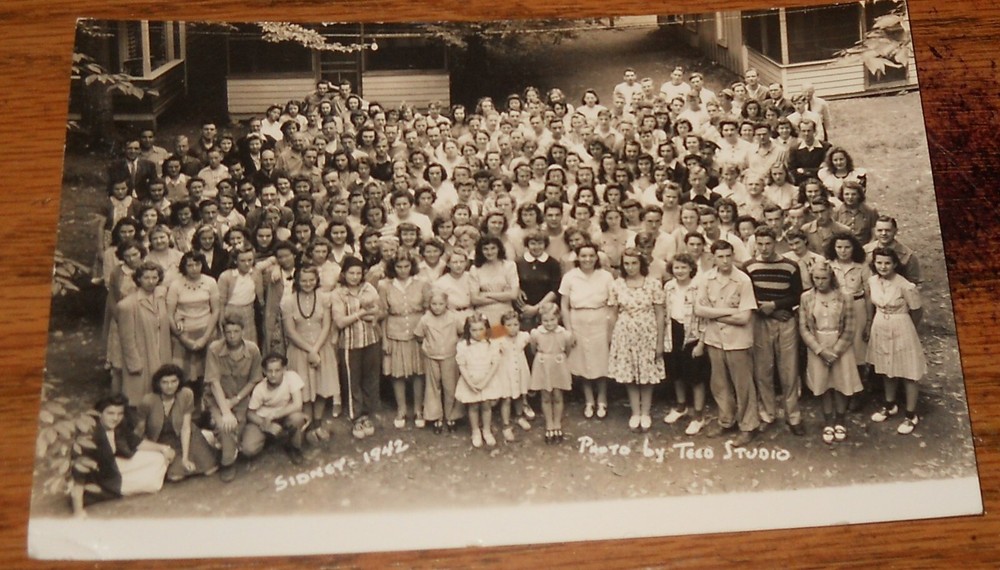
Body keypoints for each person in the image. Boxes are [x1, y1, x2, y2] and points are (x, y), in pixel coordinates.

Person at [694, 240, 760, 447]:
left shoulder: (743, 280)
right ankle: (726, 420)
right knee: (719, 383)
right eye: (720, 256)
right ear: (713, 257)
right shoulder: (706, 279)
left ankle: (748, 426)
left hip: (738, 340)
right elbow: (699, 310)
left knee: (743, 385)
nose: (725, 260)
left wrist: (715, 315)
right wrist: (731, 311)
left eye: (728, 256)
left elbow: (744, 318)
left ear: (733, 255)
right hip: (715, 339)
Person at [744, 226, 805, 434]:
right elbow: (748, 296)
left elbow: (797, 295)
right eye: (760, 244)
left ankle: (793, 416)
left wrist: (777, 307)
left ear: (775, 242)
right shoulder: (749, 266)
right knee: (763, 370)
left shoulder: (790, 266)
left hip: (786, 321)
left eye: (768, 243)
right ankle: (767, 414)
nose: (764, 248)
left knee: (789, 370)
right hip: (761, 321)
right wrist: (769, 311)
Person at [71, 394, 170, 518]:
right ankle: (127, 486)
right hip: (101, 480)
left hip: (113, 465)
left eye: (120, 413)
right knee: (152, 484)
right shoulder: (89, 435)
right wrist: (78, 511)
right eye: (110, 413)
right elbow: (79, 472)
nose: (115, 418)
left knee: (158, 458)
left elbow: (135, 441)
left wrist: (163, 448)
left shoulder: (118, 425)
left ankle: (134, 480)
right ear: (99, 414)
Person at [798, 262, 862, 444]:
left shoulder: (845, 297)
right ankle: (828, 421)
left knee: (841, 383)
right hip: (818, 345)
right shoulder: (806, 297)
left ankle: (840, 419)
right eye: (816, 278)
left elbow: (850, 327)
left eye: (824, 278)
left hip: (840, 345)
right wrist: (820, 350)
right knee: (823, 384)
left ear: (831, 277)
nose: (820, 282)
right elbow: (804, 328)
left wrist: (836, 351)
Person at [867, 247, 927, 434]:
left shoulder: (905, 285)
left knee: (908, 371)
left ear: (894, 264)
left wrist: (908, 329)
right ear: (874, 263)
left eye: (887, 263)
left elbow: (917, 310)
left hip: (902, 326)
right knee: (887, 368)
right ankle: (890, 405)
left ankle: (911, 415)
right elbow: (872, 304)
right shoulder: (872, 281)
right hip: (880, 326)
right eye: (879, 263)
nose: (883, 267)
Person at [607, 248, 665, 432]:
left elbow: (660, 314)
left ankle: (646, 412)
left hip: (647, 333)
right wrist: (611, 339)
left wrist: (660, 342)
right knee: (629, 374)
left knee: (647, 374)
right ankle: (635, 412)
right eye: (627, 264)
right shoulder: (617, 285)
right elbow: (613, 314)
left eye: (634, 263)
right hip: (625, 334)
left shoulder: (653, 284)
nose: (630, 267)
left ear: (641, 264)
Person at [281, 265, 339, 441]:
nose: (308, 283)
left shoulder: (324, 298)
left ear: (317, 280)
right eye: (304, 280)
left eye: (311, 280)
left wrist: (316, 349)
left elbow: (327, 325)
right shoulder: (288, 301)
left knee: (322, 387)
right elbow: (290, 332)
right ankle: (307, 425)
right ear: (297, 280)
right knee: (304, 389)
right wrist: (309, 350)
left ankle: (318, 423)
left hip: (322, 348)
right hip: (299, 350)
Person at [331, 256, 385, 440]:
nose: (354, 277)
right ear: (343, 274)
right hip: (349, 343)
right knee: (351, 379)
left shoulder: (368, 288)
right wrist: (362, 312)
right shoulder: (338, 294)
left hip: (371, 339)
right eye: (351, 273)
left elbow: (377, 312)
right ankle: (356, 416)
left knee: (370, 377)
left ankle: (367, 415)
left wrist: (367, 314)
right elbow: (339, 322)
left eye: (358, 273)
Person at [136, 364, 219, 482]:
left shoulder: (186, 394)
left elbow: (186, 428)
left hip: (188, 436)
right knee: (175, 476)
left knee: (210, 469)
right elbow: (140, 431)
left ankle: (206, 445)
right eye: (165, 382)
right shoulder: (148, 401)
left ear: (179, 381)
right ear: (158, 383)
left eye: (174, 381)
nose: (170, 386)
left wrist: (185, 458)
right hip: (164, 440)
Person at [559, 243, 614, 420]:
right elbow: (564, 305)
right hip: (578, 320)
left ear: (597, 257)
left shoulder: (606, 276)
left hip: (600, 319)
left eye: (591, 256)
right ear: (577, 257)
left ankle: (603, 399)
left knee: (601, 361)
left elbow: (613, 304)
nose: (587, 259)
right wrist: (569, 330)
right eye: (583, 256)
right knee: (583, 361)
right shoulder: (570, 277)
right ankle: (589, 400)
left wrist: (610, 329)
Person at [378, 250, 431, 429]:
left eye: (406, 266)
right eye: (399, 267)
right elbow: (383, 314)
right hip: (395, 332)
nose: (403, 270)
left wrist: (426, 334)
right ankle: (402, 409)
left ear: (412, 266)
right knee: (397, 373)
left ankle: (418, 409)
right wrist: (384, 339)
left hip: (417, 332)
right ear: (393, 267)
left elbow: (427, 311)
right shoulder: (385, 285)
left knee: (418, 372)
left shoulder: (422, 283)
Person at [117, 261, 172, 406]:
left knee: (161, 393)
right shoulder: (127, 305)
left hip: (161, 352)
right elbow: (126, 339)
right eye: (146, 278)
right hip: (142, 355)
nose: (151, 281)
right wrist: (134, 364)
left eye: (154, 277)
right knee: (140, 397)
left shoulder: (161, 297)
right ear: (138, 279)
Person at [166, 251, 220, 386]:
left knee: (208, 372)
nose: (194, 268)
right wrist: (183, 338)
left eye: (197, 264)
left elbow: (216, 310)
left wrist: (205, 338)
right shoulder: (176, 284)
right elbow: (169, 314)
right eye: (190, 265)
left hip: (206, 330)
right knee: (184, 375)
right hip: (183, 333)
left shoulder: (211, 282)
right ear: (184, 267)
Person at [414, 291, 465, 433]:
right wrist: (428, 346)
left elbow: (462, 332)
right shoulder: (425, 319)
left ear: (446, 304)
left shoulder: (453, 318)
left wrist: (455, 344)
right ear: (429, 305)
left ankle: (451, 416)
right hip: (432, 356)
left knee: (450, 386)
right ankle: (436, 417)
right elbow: (418, 335)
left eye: (440, 304)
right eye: (434, 304)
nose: (437, 307)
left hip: (450, 356)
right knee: (432, 387)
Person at [246, 353, 310, 466]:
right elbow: (250, 413)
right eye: (270, 371)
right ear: (264, 371)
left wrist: (275, 415)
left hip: (284, 414)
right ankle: (269, 439)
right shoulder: (260, 389)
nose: (273, 374)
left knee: (297, 418)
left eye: (277, 370)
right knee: (248, 449)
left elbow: (297, 405)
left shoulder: (291, 376)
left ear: (284, 369)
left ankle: (294, 447)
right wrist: (267, 425)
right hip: (264, 418)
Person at [455, 313, 504, 448]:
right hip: (471, 379)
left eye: (481, 329)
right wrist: (470, 383)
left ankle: (487, 430)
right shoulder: (463, 345)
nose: (478, 333)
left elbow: (495, 363)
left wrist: (485, 382)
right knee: (474, 406)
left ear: (486, 329)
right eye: (473, 330)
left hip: (487, 379)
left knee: (486, 405)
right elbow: (462, 365)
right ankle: (475, 431)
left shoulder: (492, 343)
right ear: (468, 330)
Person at [529, 303, 574, 443]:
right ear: (540, 320)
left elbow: (567, 350)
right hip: (543, 364)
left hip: (558, 364)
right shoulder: (536, 333)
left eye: (552, 320)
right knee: (546, 396)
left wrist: (558, 357)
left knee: (557, 394)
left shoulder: (565, 334)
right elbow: (533, 349)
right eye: (545, 320)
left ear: (558, 318)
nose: (549, 323)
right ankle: (549, 423)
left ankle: (557, 423)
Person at [470, 236, 521, 334]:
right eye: (485, 249)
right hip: (483, 315)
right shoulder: (475, 269)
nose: (489, 252)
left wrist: (486, 294)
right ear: (480, 250)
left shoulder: (509, 266)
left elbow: (513, 295)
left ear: (499, 248)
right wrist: (504, 294)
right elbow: (475, 299)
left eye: (493, 248)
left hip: (506, 315)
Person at [495, 310, 532, 441]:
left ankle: (519, 416)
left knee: (520, 395)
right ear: (502, 326)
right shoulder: (499, 338)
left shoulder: (524, 336)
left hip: (520, 370)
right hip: (506, 371)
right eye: (508, 325)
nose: (512, 328)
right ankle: (506, 425)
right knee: (507, 398)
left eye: (515, 324)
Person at [863, 215, 922, 285]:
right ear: (874, 231)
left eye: (888, 230)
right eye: (880, 230)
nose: (883, 233)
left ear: (895, 231)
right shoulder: (866, 250)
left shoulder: (907, 256)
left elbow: (914, 283)